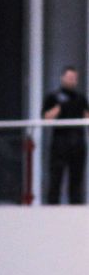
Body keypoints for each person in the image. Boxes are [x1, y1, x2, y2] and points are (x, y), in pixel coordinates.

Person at [42, 66, 89, 205]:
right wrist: (60, 106)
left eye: (74, 78)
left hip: (77, 141)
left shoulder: (80, 98)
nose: (71, 80)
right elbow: (46, 117)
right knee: (56, 176)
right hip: (60, 142)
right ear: (62, 78)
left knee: (77, 177)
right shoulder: (53, 97)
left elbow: (87, 115)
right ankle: (52, 207)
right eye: (69, 77)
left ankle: (76, 207)